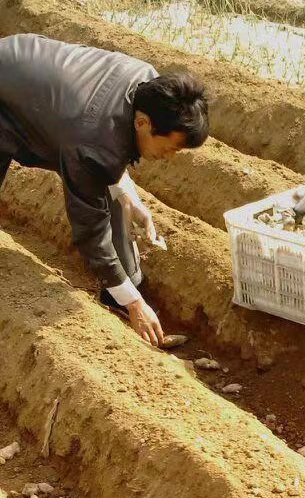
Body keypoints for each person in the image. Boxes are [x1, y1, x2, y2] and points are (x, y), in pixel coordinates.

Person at [0, 33, 209, 345]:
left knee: (109, 191)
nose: (169, 157)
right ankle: (124, 294)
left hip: (26, 65)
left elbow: (108, 153)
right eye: (170, 148)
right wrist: (135, 304)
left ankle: (122, 290)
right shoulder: (92, 143)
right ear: (143, 124)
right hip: (11, 89)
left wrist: (130, 197)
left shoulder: (149, 84)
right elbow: (91, 233)